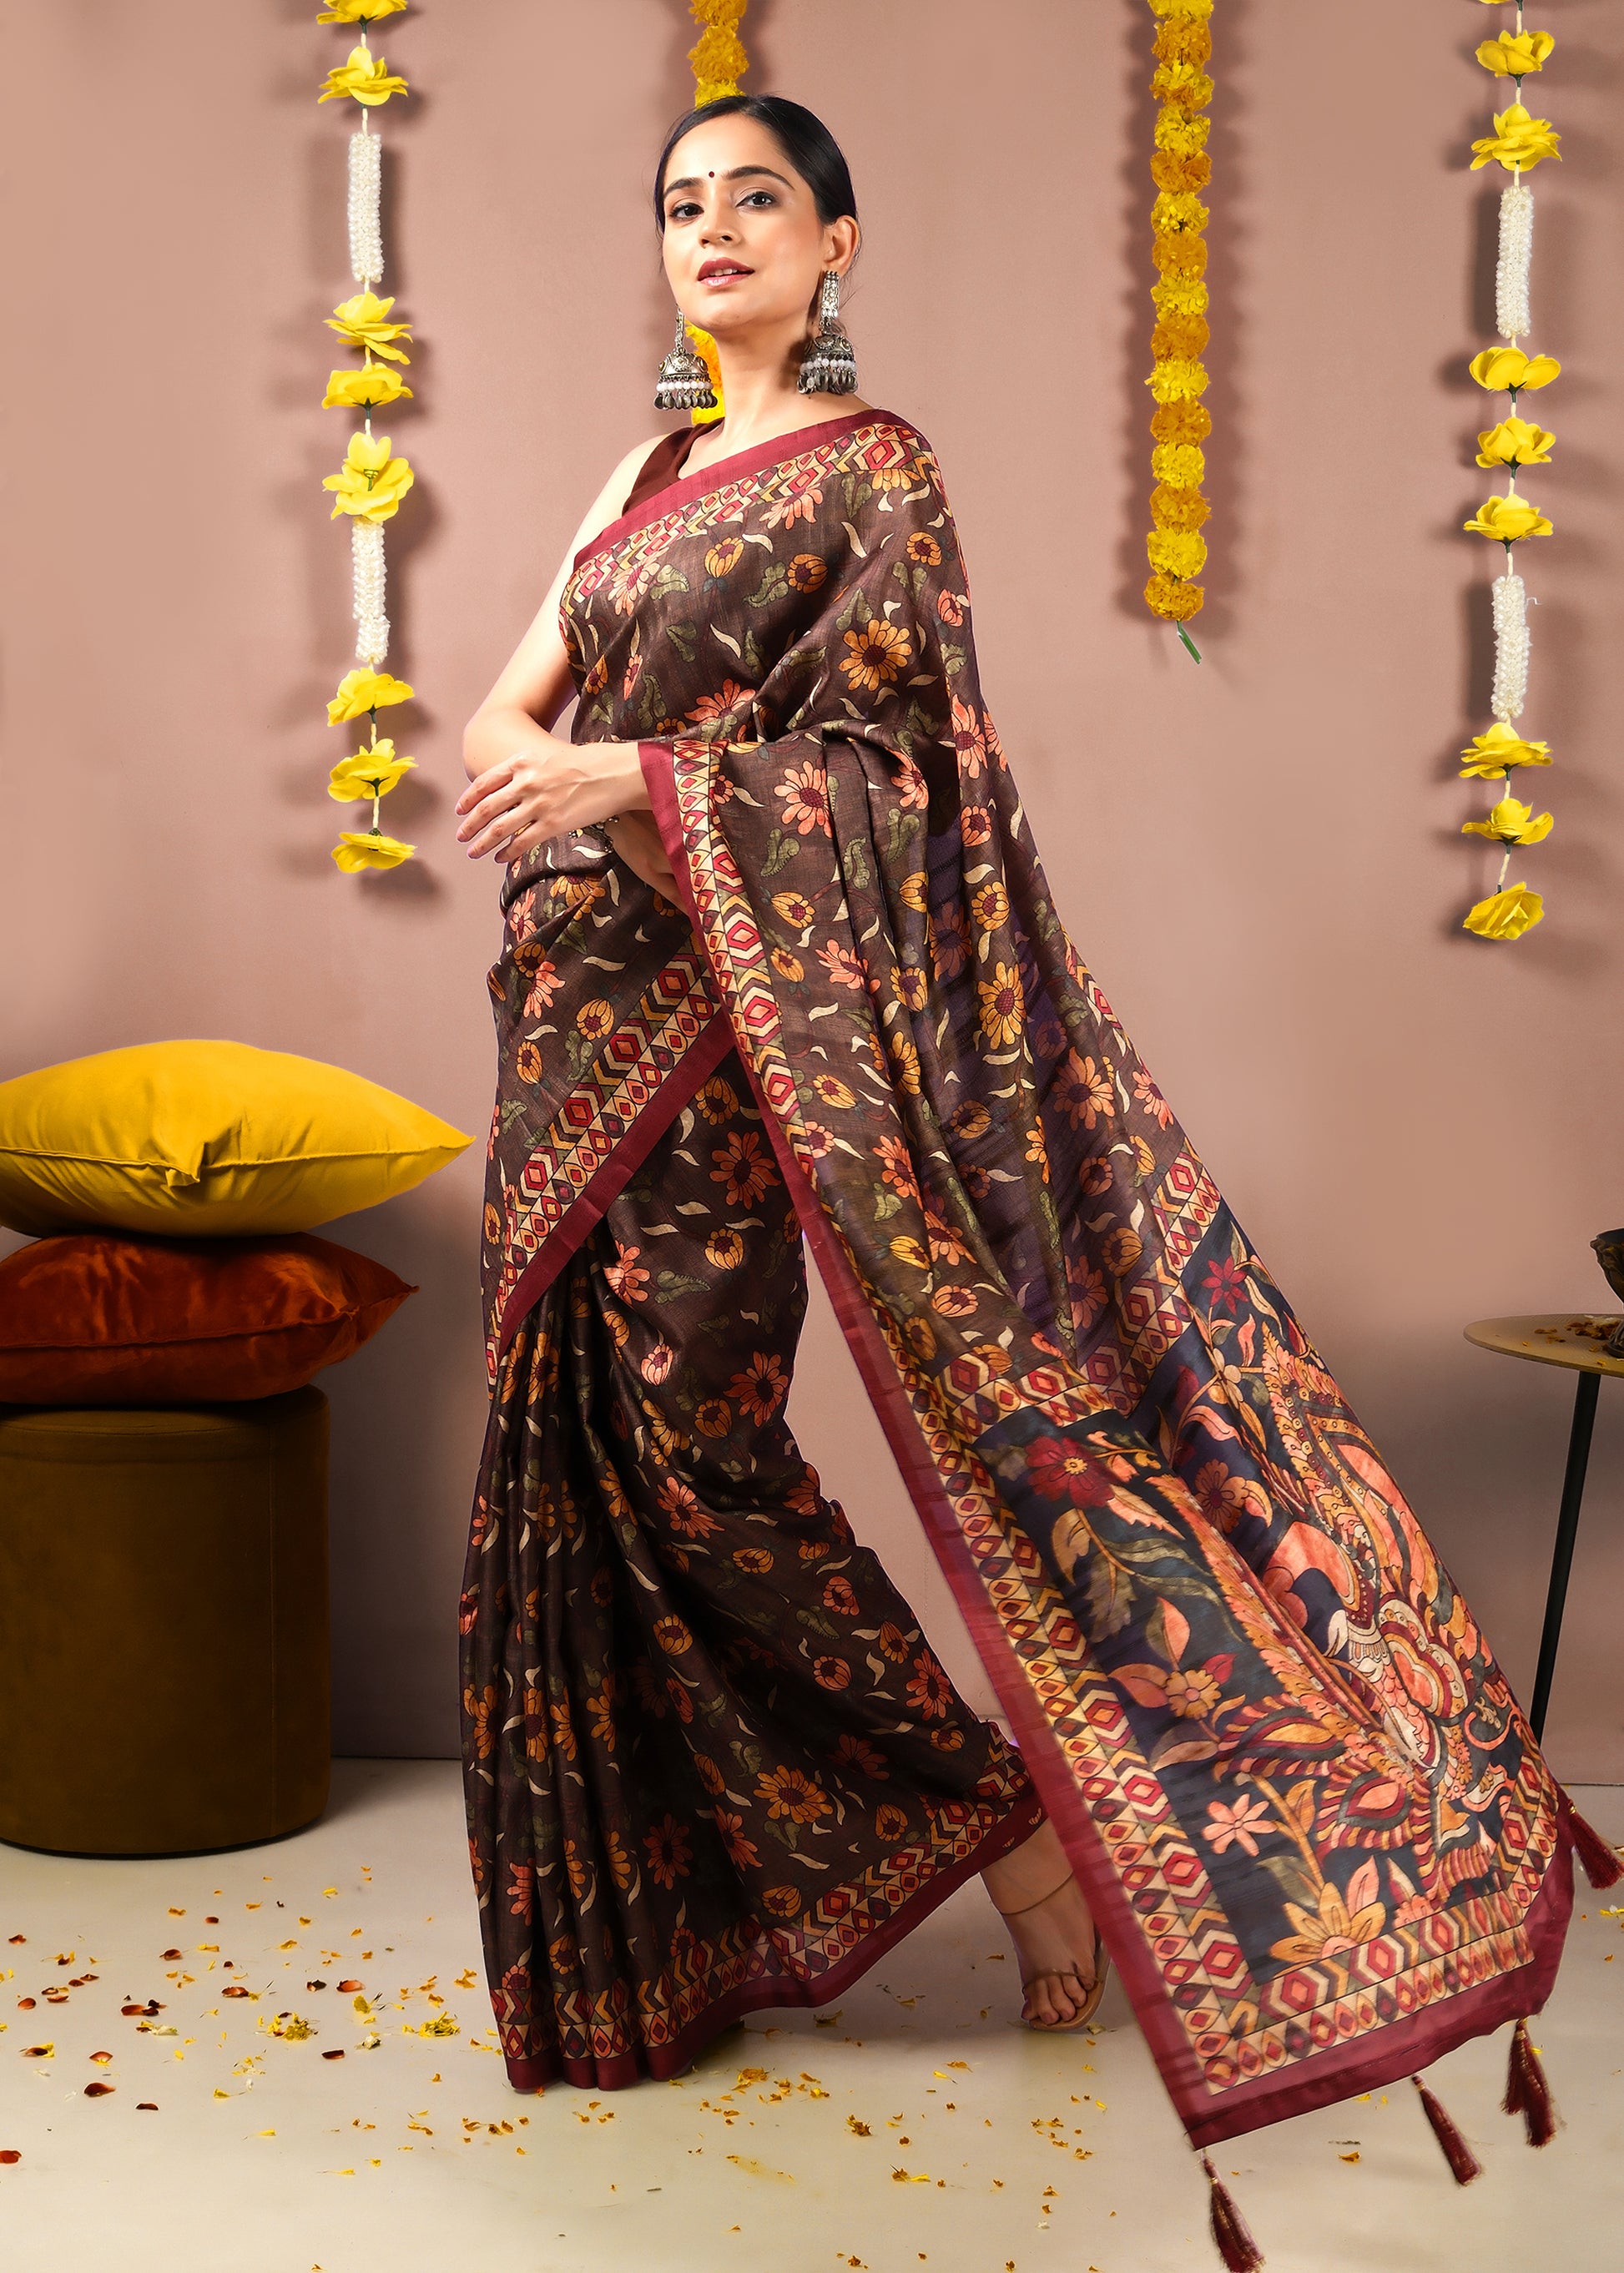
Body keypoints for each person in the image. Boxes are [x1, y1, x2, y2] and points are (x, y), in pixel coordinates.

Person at [451, 90, 1603, 2201]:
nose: (712, 232)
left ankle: (1014, 1841)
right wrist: (564, 760)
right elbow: (491, 719)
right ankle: (731, 1913)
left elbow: (908, 777)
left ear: (838, 244)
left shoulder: (873, 476)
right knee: (603, 1454)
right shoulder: (637, 475)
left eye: (756, 202)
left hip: (743, 1032)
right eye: (682, 206)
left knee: (699, 1442)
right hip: (576, 1026)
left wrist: (628, 773)